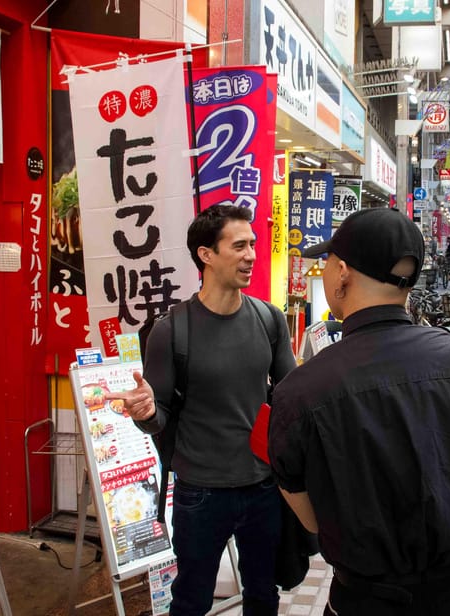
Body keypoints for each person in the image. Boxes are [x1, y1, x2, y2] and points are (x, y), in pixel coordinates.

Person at [268, 208, 450, 616]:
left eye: (328, 263)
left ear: (343, 273)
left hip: (364, 601)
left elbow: (315, 523)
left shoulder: (298, 392)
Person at [110, 205, 296, 616]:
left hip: (263, 487)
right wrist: (143, 412)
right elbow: (156, 414)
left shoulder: (269, 320)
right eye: (239, 245)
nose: (251, 255)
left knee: (264, 594)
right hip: (200, 493)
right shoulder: (172, 329)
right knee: (191, 599)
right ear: (206, 255)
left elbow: (290, 397)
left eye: (253, 244)